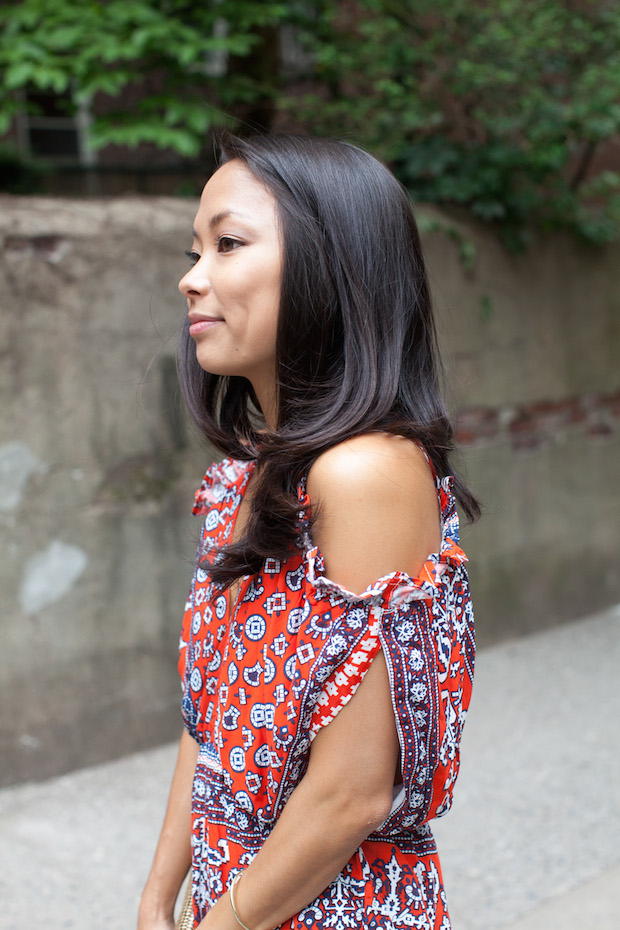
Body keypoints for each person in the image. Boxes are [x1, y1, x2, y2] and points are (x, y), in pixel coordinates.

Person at [138, 132, 479, 930]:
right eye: (194, 251)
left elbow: (351, 795)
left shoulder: (365, 474)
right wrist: (161, 893)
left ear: (332, 264)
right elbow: (210, 717)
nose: (192, 279)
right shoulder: (244, 477)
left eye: (228, 244)